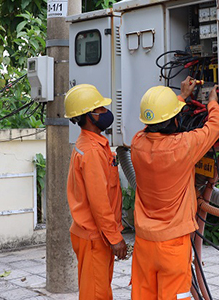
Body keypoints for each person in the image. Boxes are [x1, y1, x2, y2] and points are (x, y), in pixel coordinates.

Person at [129, 76, 219, 300]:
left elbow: (150, 123)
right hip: (173, 244)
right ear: (175, 120)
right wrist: (212, 101)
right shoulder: (183, 146)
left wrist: (180, 97)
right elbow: (217, 124)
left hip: (144, 243)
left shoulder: (137, 143)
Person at [64, 84, 127, 300]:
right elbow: (99, 202)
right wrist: (114, 238)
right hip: (94, 236)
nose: (105, 112)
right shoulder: (91, 151)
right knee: (97, 295)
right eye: (100, 108)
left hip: (94, 235)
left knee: (100, 290)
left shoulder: (93, 144)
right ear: (89, 117)